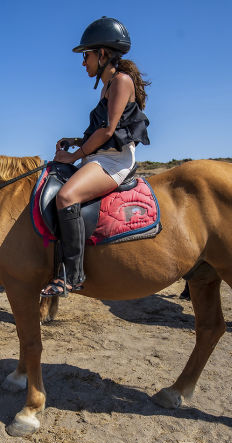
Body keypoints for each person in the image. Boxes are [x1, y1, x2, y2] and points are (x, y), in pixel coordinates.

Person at [41, 17, 151, 297]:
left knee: (67, 197)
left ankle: (72, 276)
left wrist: (75, 155)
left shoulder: (121, 82)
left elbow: (108, 130)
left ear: (102, 54)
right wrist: (76, 141)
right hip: (100, 157)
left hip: (114, 162)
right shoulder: (106, 86)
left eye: (86, 56)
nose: (83, 63)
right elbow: (101, 131)